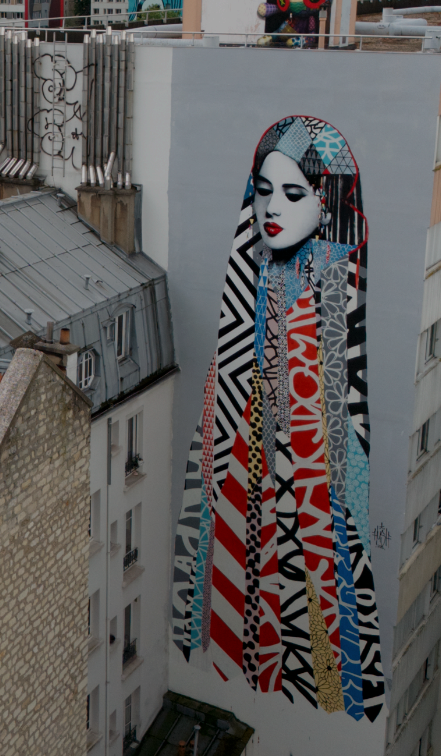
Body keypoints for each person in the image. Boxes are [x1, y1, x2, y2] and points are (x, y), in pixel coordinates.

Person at [171, 116, 384, 722]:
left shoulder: (335, 277)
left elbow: (342, 407)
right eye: (263, 190)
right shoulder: (252, 268)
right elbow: (228, 370)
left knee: (314, 593)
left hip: (314, 483)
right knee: (239, 588)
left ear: (330, 198)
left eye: (294, 193)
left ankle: (320, 675)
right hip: (243, 459)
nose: (273, 206)